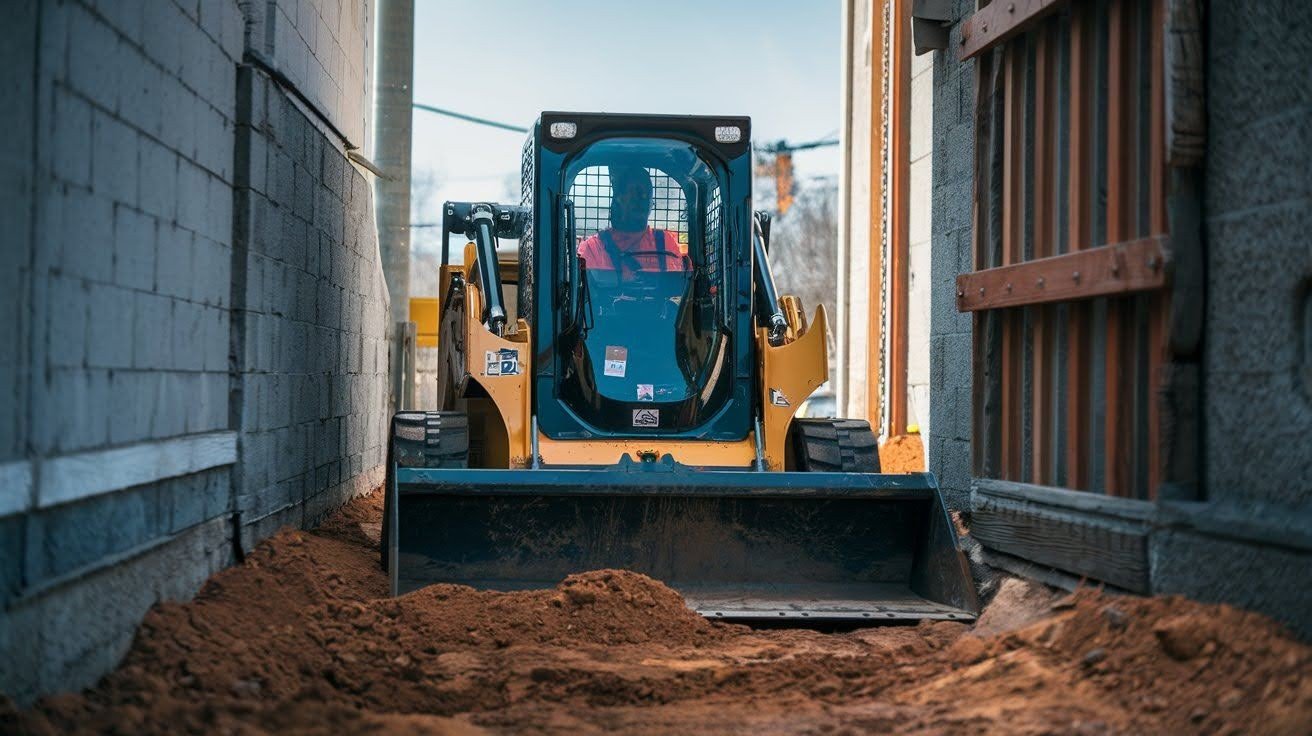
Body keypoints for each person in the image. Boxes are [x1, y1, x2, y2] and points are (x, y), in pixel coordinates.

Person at [576, 165, 687, 277]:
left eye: (646, 195)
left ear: (651, 204)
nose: (642, 198)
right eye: (635, 193)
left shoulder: (666, 244)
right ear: (617, 199)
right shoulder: (593, 248)